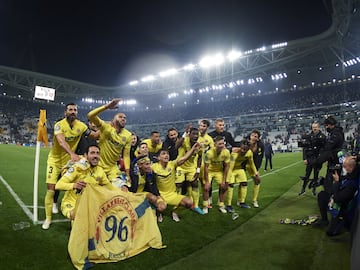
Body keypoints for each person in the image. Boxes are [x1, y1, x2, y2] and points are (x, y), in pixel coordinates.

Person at [42, 103, 98, 229]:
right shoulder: (58, 125)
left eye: (75, 110)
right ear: (65, 112)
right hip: (55, 161)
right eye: (70, 110)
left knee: (76, 185)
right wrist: (72, 154)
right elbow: (61, 141)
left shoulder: (81, 126)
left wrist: (108, 127)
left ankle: (71, 211)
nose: (73, 112)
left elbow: (95, 135)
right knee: (51, 190)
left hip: (69, 162)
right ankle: (48, 219)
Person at [55, 144, 116, 220]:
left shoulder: (100, 171)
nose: (95, 156)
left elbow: (110, 188)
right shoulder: (77, 168)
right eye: (92, 153)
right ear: (86, 155)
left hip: (88, 205)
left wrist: (124, 194)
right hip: (71, 204)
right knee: (77, 216)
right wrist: (74, 185)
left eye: (97, 153)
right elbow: (58, 185)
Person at [87, 98, 133, 186]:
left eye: (124, 118)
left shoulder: (128, 135)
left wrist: (127, 173)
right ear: (113, 120)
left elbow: (126, 156)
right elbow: (90, 116)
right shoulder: (106, 128)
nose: (123, 119)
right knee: (95, 190)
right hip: (98, 165)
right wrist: (107, 106)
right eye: (120, 117)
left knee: (123, 189)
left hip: (113, 168)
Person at [151, 143, 201, 222]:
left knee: (189, 202)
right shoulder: (153, 167)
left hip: (172, 194)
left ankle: (175, 212)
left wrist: (193, 149)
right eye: (163, 154)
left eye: (167, 154)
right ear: (158, 158)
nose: (166, 155)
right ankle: (159, 213)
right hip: (160, 195)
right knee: (161, 207)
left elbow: (184, 158)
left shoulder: (172, 164)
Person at [313, 156, 358, 236]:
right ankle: (324, 220)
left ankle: (342, 221)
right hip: (341, 200)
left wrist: (336, 182)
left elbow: (337, 199)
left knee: (330, 232)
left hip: (343, 207)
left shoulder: (352, 183)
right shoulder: (351, 174)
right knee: (322, 195)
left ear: (350, 167)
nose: (343, 167)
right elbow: (344, 179)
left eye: (344, 166)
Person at [313, 116, 345, 195]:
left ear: (330, 125)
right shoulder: (336, 132)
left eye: (326, 125)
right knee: (331, 179)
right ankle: (332, 194)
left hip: (335, 160)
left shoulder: (336, 134)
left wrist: (319, 161)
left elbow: (328, 147)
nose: (326, 127)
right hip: (334, 159)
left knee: (330, 180)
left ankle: (332, 197)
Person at [175, 127, 204, 214]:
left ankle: (195, 206)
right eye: (193, 134)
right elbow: (176, 146)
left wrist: (198, 170)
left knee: (195, 183)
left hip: (191, 167)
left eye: (197, 134)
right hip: (180, 166)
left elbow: (200, 158)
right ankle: (177, 203)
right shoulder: (184, 140)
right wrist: (184, 134)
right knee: (178, 185)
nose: (195, 136)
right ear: (189, 134)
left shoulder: (200, 145)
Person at [227, 139, 260, 210]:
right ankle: (228, 205)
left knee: (244, 183)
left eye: (246, 149)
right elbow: (230, 167)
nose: (243, 151)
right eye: (242, 149)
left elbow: (252, 164)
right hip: (231, 169)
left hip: (239, 168)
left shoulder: (249, 153)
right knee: (231, 184)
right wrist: (227, 178)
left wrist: (256, 173)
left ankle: (242, 202)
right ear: (240, 146)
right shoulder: (234, 153)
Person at [203, 136, 231, 214]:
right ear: (215, 145)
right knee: (206, 187)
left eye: (223, 143)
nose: (222, 145)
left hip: (219, 171)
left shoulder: (226, 152)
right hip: (209, 171)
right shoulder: (209, 153)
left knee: (224, 187)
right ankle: (205, 206)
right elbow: (206, 167)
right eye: (219, 144)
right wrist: (207, 182)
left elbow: (227, 166)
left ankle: (221, 205)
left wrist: (224, 180)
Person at [298, 122, 326, 196]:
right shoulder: (309, 136)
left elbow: (324, 150)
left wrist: (322, 160)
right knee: (307, 175)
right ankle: (303, 189)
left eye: (316, 127)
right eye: (313, 127)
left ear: (319, 127)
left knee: (316, 176)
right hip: (310, 159)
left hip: (317, 160)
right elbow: (305, 148)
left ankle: (314, 190)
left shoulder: (322, 137)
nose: (314, 128)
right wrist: (304, 158)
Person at [197, 119, 214, 209]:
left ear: (207, 128)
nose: (202, 127)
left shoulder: (209, 139)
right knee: (193, 185)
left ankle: (205, 205)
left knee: (205, 186)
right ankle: (194, 204)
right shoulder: (194, 135)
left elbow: (213, 152)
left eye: (204, 126)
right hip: (193, 164)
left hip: (203, 165)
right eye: (201, 125)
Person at [247, 129, 264, 208]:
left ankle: (254, 200)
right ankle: (240, 201)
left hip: (253, 165)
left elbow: (260, 159)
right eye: (252, 135)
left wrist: (256, 170)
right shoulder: (245, 142)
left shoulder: (261, 145)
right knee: (238, 181)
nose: (253, 137)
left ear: (258, 138)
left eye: (255, 136)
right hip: (242, 164)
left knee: (257, 180)